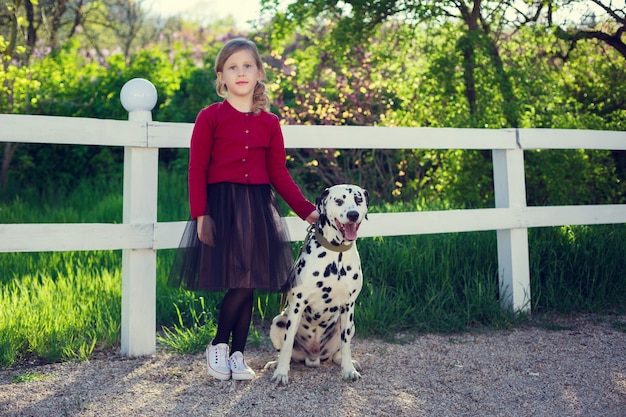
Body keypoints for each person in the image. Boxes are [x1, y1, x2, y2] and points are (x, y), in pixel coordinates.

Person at [168, 38, 319, 381]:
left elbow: (278, 171)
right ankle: (218, 345)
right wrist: (201, 214)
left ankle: (237, 355)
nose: (240, 72)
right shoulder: (210, 117)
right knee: (240, 279)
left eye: (247, 66)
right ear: (221, 76)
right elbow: (197, 169)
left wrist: (306, 210)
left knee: (249, 280)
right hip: (223, 206)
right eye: (232, 67)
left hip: (257, 207)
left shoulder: (269, 122)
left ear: (259, 73)